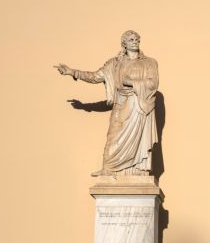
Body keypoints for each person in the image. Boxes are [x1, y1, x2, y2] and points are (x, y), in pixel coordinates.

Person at [54, 30, 159, 177]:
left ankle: (137, 169)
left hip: (138, 105)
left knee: (136, 140)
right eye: (131, 40)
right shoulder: (114, 64)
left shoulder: (149, 63)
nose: (135, 42)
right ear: (124, 44)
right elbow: (95, 76)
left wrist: (131, 82)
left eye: (137, 39)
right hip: (121, 104)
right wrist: (73, 72)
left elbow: (153, 84)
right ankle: (108, 168)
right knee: (112, 136)